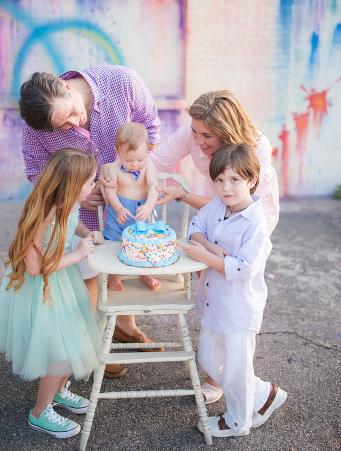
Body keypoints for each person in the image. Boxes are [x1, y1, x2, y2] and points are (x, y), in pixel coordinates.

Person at [101, 89, 281, 401]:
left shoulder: (256, 149)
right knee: (211, 295)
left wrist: (209, 244)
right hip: (218, 212)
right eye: (194, 132)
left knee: (232, 302)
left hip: (250, 220)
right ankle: (219, 372)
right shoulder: (195, 131)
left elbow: (243, 204)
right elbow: (148, 161)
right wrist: (112, 168)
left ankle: (238, 383)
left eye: (206, 135)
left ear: (227, 132)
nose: (197, 141)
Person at [19, 67, 163, 371]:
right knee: (89, 276)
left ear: (65, 87)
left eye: (71, 113)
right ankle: (91, 347)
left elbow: (151, 129)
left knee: (128, 262)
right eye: (63, 126)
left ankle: (125, 327)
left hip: (132, 204)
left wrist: (131, 178)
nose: (74, 123)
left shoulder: (124, 82)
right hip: (82, 211)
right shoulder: (35, 124)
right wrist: (77, 192)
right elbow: (35, 170)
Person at [0, 148, 104, 439]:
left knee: (76, 340)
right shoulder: (42, 215)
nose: (95, 186)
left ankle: (59, 391)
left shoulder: (67, 204)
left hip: (62, 281)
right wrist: (78, 254)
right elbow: (34, 268)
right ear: (72, 186)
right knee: (59, 352)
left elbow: (72, 221)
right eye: (91, 182)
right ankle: (40, 413)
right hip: (43, 289)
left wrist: (85, 234)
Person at [178, 144, 287, 438]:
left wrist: (207, 257)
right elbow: (195, 229)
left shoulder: (256, 224)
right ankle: (265, 393)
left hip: (240, 307)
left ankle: (239, 421)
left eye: (235, 180)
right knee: (209, 360)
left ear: (252, 180)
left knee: (237, 368)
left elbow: (243, 268)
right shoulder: (216, 205)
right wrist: (213, 249)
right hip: (215, 300)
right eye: (220, 180)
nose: (226, 188)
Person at [100, 122, 162, 292]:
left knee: (145, 242)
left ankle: (145, 273)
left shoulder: (148, 165)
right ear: (117, 152)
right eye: (128, 160)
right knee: (113, 240)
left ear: (147, 153)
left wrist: (149, 206)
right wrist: (119, 208)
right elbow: (110, 191)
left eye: (140, 159)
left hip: (143, 212)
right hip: (120, 212)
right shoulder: (113, 168)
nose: (135, 164)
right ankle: (114, 274)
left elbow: (154, 187)